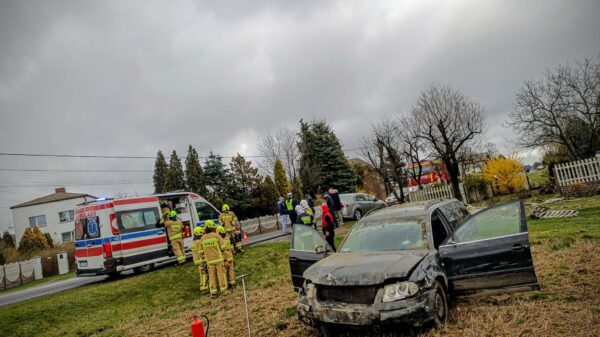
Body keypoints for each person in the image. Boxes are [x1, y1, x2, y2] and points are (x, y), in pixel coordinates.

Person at [200, 220, 228, 296]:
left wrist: (204, 261)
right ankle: (224, 291)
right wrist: (225, 259)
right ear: (212, 228)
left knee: (211, 277)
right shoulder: (217, 236)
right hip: (219, 260)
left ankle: (213, 293)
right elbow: (223, 248)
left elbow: (201, 252)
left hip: (209, 262)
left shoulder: (202, 239)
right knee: (221, 275)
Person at [191, 226, 209, 293]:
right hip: (201, 261)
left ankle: (203, 286)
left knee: (201, 274)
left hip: (196, 260)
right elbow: (201, 252)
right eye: (201, 232)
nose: (202, 234)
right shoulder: (199, 242)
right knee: (204, 274)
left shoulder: (193, 242)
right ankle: (204, 288)